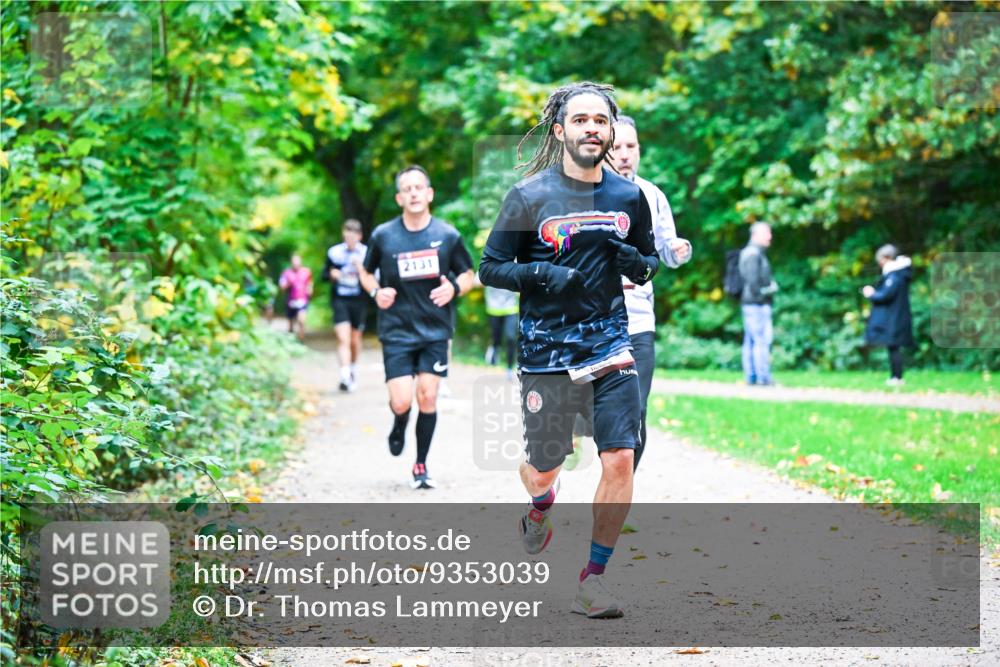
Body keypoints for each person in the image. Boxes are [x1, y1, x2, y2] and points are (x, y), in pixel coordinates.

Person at [479, 82, 659, 618]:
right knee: (544, 464)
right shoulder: (528, 196)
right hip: (546, 352)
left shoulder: (631, 198)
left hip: (610, 343)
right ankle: (539, 506)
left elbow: (648, 263)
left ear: (610, 131)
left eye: (600, 121)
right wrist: (541, 273)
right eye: (580, 121)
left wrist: (633, 261)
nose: (591, 129)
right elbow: (491, 267)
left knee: (621, 455)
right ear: (560, 131)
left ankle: (593, 579)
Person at [359, 165, 475, 490]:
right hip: (396, 330)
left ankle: (420, 465)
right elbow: (366, 272)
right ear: (399, 198)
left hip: (435, 331)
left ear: (429, 194)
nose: (413, 193)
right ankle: (399, 423)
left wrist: (454, 288)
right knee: (402, 401)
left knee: (428, 396)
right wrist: (375, 292)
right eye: (406, 189)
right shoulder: (384, 235)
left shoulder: (448, 235)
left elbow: (468, 274)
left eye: (418, 187)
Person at [608, 115, 691, 471]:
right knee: (599, 414)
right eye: (617, 147)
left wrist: (678, 248)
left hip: (639, 318)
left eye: (631, 146)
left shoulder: (652, 195)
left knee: (636, 411)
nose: (625, 154)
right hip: (595, 317)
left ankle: (620, 494)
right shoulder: (585, 193)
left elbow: (666, 250)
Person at [324, 219, 368, 392]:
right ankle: (344, 375)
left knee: (355, 339)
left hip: (359, 300)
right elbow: (323, 274)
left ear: (359, 236)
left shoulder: (366, 253)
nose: (349, 240)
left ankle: (353, 369)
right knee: (343, 338)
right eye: (346, 236)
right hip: (340, 299)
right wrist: (331, 274)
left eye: (352, 237)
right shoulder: (334, 253)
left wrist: (361, 270)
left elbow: (375, 277)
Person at [862, 244, 913, 386]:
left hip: (895, 318)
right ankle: (895, 377)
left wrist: (871, 294)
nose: (879, 263)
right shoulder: (897, 274)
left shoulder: (895, 276)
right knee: (893, 347)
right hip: (894, 317)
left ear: (887, 258)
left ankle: (897, 377)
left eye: (880, 259)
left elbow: (885, 296)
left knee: (894, 347)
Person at [738, 222, 778, 386]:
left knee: (751, 340)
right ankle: (763, 378)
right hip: (756, 305)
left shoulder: (752, 253)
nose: (770, 236)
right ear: (756, 235)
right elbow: (753, 284)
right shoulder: (753, 254)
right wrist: (770, 290)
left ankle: (752, 377)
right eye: (767, 233)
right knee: (761, 340)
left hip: (752, 304)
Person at [484, 285, 518, 380]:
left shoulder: (513, 269)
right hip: (494, 309)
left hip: (511, 308)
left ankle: (510, 369)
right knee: (496, 339)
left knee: (511, 337)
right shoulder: (489, 269)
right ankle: (494, 350)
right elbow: (476, 280)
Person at [278, 255, 313, 342]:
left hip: (302, 299)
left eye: (297, 261)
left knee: (301, 320)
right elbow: (281, 287)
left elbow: (310, 283)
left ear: (301, 261)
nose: (296, 263)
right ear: (291, 262)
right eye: (294, 261)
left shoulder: (306, 272)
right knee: (290, 323)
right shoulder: (286, 273)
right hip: (291, 300)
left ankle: (301, 339)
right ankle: (291, 340)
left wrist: (310, 290)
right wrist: (288, 284)